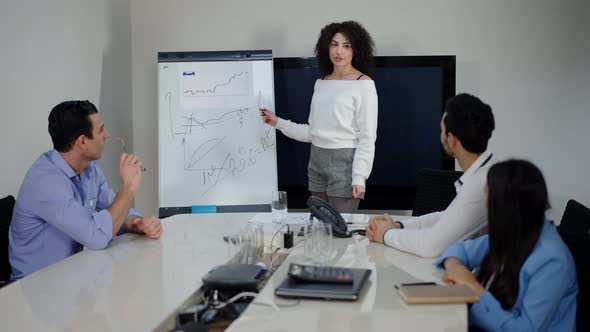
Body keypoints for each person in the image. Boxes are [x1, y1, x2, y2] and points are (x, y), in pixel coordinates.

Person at [9, 100, 162, 279]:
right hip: (34, 288)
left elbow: (113, 208)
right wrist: (129, 188)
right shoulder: (46, 182)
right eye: (101, 130)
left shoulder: (89, 169)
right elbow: (96, 237)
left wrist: (136, 223)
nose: (107, 135)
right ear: (82, 142)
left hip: (70, 279)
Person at [436, 160, 578, 331]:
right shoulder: (515, 231)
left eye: (487, 193)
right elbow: (460, 250)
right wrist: (455, 266)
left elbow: (524, 329)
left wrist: (471, 286)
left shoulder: (553, 261)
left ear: (504, 203)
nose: (484, 201)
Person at [261, 21, 378, 213]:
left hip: (345, 164)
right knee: (319, 231)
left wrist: (359, 177)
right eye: (334, 44)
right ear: (327, 47)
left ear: (355, 50)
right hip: (316, 162)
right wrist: (277, 122)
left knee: (340, 232)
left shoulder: (363, 84)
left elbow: (367, 137)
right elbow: (312, 132)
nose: (339, 51)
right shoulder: (321, 83)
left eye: (346, 46)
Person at [366, 93, 496, 257]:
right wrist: (399, 226)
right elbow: (446, 218)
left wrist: (386, 234)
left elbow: (431, 246)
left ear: (451, 139)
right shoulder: (485, 172)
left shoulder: (480, 184)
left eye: (441, 130)